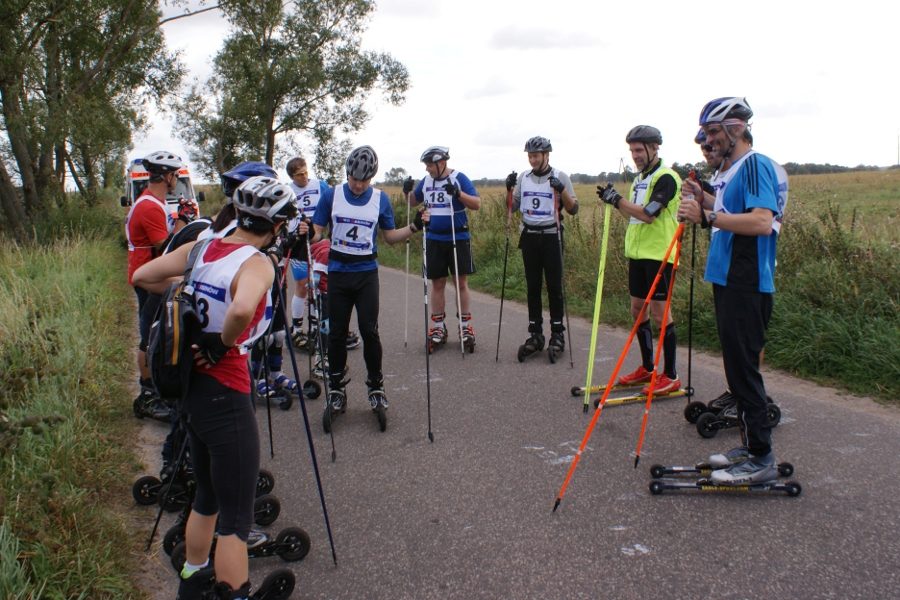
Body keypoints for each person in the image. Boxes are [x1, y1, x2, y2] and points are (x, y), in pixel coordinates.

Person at [133, 175, 296, 598]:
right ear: (276, 227)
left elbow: (145, 275)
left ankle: (192, 577)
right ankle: (233, 592)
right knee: (237, 522)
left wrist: (186, 298)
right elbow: (242, 309)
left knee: (206, 495)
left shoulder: (202, 247)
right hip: (227, 394)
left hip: (192, 391)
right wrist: (221, 340)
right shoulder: (257, 263)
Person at [677, 96, 787, 484]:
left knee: (744, 372)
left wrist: (706, 215)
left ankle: (761, 458)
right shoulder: (731, 170)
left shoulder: (755, 165)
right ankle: (750, 445)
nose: (707, 141)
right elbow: (727, 212)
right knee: (736, 369)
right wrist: (700, 199)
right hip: (727, 278)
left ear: (735, 129)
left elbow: (760, 221)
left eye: (711, 133)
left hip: (747, 279)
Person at [301, 145, 424, 428]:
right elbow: (318, 231)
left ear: (372, 178)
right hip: (339, 273)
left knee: (370, 331)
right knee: (336, 334)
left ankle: (376, 386)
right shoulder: (332, 195)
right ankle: (336, 390)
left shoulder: (379, 199)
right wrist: (309, 231)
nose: (358, 185)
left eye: (364, 180)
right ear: (347, 174)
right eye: (354, 179)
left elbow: (390, 237)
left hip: (366, 273)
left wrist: (415, 227)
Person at [597, 126, 682, 394]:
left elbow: (649, 214)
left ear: (654, 148)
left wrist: (619, 200)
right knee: (637, 310)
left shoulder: (666, 178)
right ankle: (648, 368)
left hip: (660, 254)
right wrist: (616, 204)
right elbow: (633, 216)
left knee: (660, 313)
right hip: (638, 254)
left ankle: (670, 375)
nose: (635, 155)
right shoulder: (639, 180)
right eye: (632, 150)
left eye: (639, 150)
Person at [125, 150, 185, 420]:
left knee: (156, 330)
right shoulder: (149, 205)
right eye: (175, 175)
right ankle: (147, 396)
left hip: (149, 272)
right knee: (149, 335)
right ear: (167, 176)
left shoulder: (153, 201)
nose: (177, 180)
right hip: (148, 275)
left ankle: (155, 389)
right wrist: (183, 222)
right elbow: (166, 248)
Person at [507, 136, 578, 360]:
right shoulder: (523, 178)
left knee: (554, 288)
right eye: (530, 156)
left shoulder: (560, 176)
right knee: (533, 287)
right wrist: (508, 189)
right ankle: (535, 334)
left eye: (536, 155)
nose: (532, 160)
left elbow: (573, 208)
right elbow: (512, 207)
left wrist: (561, 189)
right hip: (529, 237)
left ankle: (557, 334)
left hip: (551, 236)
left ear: (547, 155)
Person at [404, 146, 481, 352]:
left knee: (460, 282)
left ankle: (465, 327)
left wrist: (458, 194)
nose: (427, 169)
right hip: (433, 238)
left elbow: (476, 204)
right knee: (437, 283)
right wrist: (407, 191)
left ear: (441, 163)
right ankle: (438, 327)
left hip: (458, 237)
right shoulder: (426, 181)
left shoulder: (459, 177)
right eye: (426, 165)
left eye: (430, 165)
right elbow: (413, 202)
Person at [284, 157, 363, 351]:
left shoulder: (320, 185)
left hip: (318, 242)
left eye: (305, 172)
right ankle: (296, 328)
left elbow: (333, 203)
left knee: (319, 284)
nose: (303, 177)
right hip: (298, 244)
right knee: (302, 285)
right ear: (292, 177)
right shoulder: (288, 191)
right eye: (298, 175)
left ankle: (318, 326)